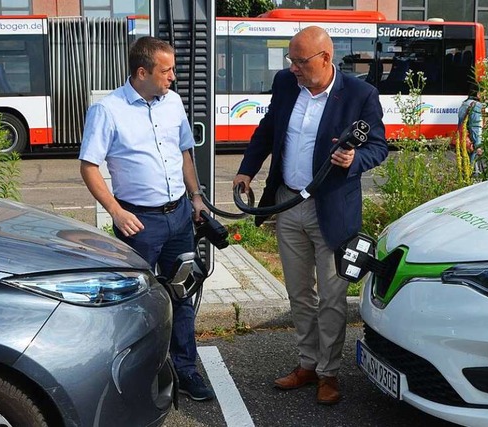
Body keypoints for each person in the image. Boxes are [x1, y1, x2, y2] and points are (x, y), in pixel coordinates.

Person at [232, 26, 388, 405]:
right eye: (291, 60)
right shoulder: (286, 84)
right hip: (288, 204)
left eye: (300, 62)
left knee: (332, 298)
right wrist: (246, 170)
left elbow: (380, 146)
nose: (294, 68)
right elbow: (267, 131)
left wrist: (353, 160)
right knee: (299, 293)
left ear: (325, 59)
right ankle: (307, 363)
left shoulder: (360, 94)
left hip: (332, 210)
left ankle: (329, 373)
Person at [79, 36, 215, 401]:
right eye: (167, 69)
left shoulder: (173, 102)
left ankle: (186, 370)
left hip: (180, 217)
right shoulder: (108, 110)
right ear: (142, 72)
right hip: (138, 224)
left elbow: (184, 153)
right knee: (133, 302)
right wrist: (116, 211)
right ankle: (132, 378)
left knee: (183, 295)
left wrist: (197, 198)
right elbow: (89, 166)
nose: (174, 76)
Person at [458, 90, 484, 173]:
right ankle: (474, 174)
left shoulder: (464, 103)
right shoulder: (476, 105)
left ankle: (466, 173)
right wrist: (478, 144)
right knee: (474, 152)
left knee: (466, 155)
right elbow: (476, 127)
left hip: (465, 137)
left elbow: (461, 123)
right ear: (478, 94)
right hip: (473, 138)